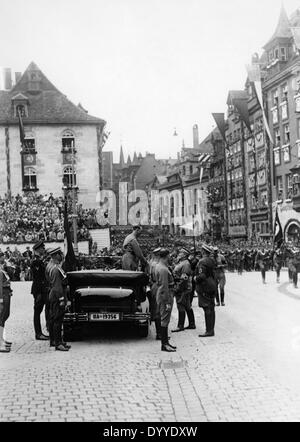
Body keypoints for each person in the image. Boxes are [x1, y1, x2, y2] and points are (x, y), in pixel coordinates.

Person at [45, 247, 71, 351]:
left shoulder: (50, 266)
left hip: (53, 294)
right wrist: (62, 299)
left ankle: (53, 340)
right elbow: (57, 286)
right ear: (56, 255)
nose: (61, 255)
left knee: (53, 318)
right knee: (58, 319)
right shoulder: (55, 269)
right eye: (60, 254)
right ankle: (58, 343)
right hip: (57, 296)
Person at [156, 248, 177, 352]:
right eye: (169, 256)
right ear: (166, 256)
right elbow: (164, 287)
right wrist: (168, 301)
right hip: (165, 297)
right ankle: (164, 344)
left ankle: (166, 343)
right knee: (165, 320)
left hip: (162, 295)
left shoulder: (159, 266)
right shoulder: (163, 269)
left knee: (164, 319)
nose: (170, 257)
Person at [194, 244, 217, 337]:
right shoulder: (212, 260)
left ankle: (209, 331)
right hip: (212, 284)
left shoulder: (202, 262)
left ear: (203, 251)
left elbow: (202, 276)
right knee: (212, 307)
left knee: (206, 307)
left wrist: (195, 278)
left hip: (205, 286)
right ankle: (211, 329)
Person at [172, 248, 195, 332]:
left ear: (184, 255)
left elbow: (184, 279)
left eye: (181, 253)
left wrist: (178, 289)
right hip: (185, 288)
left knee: (181, 305)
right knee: (187, 306)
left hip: (183, 288)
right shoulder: (182, 263)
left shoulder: (185, 264)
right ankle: (192, 323)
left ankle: (180, 325)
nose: (179, 254)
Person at [30, 240, 50, 340]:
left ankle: (42, 332)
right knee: (37, 311)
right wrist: (38, 293)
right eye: (42, 248)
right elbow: (37, 279)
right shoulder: (36, 261)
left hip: (42, 289)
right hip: (39, 290)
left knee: (41, 310)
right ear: (38, 249)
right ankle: (38, 333)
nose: (44, 249)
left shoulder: (39, 260)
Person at [0, 252, 13, 352]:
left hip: (6, 293)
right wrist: (0, 300)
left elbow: (10, 276)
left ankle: (2, 339)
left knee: (5, 316)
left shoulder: (2, 269)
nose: (4, 259)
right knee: (1, 317)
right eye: (2, 257)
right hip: (3, 295)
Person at [148, 247, 162, 340]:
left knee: (156, 308)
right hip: (158, 285)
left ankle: (159, 332)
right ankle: (159, 334)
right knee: (159, 310)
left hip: (153, 285)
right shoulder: (157, 265)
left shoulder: (151, 262)